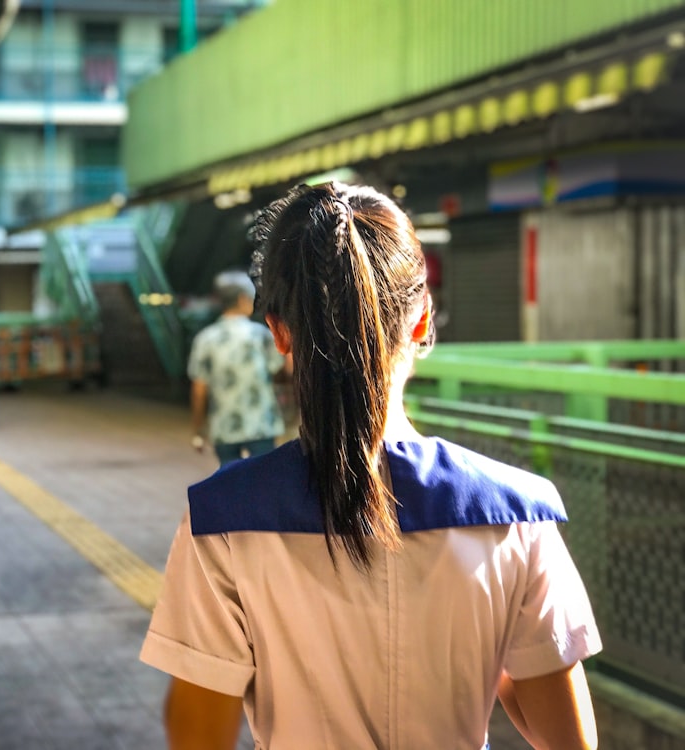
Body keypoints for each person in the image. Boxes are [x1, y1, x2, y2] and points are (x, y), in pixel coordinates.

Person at [140, 182, 601, 749]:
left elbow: (198, 739)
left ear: (280, 334)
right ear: (420, 322)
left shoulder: (221, 523)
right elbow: (567, 740)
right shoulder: (517, 517)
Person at [187, 270, 289, 464]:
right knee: (263, 482)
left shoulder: (205, 339)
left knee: (231, 483)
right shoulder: (261, 336)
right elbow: (280, 373)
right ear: (243, 299)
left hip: (224, 428)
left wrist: (198, 429)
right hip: (261, 426)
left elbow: (199, 389)